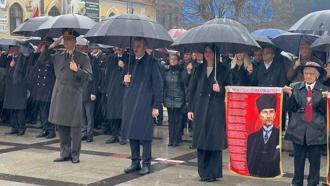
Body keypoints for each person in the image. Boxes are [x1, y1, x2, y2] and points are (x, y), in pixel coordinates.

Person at [48, 29, 92, 164]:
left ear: (74, 41)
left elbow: (89, 76)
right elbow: (42, 60)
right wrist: (51, 46)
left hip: (74, 95)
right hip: (60, 93)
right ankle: (64, 153)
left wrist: (77, 70)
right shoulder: (58, 55)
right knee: (61, 126)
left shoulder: (83, 57)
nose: (67, 42)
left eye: (70, 40)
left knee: (75, 127)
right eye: (65, 40)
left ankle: (75, 154)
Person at [187, 45, 230, 182]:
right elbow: (192, 89)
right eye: (205, 52)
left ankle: (213, 172)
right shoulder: (198, 69)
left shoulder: (224, 69)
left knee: (213, 141)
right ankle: (203, 171)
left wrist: (221, 89)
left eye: (210, 52)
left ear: (216, 53)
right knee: (201, 140)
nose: (207, 54)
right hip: (200, 109)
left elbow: (231, 89)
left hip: (216, 110)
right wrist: (190, 108)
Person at [121, 37, 163, 175]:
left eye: (138, 46)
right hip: (131, 102)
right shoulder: (130, 61)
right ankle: (135, 161)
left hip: (145, 103)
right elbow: (124, 82)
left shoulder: (151, 62)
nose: (135, 48)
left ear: (144, 47)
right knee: (132, 133)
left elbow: (158, 85)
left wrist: (156, 106)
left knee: (145, 135)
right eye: (134, 46)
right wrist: (125, 80)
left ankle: (146, 163)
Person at [283, 61, 328, 186]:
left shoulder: (324, 89)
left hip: (316, 130)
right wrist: (290, 96)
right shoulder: (295, 87)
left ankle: (312, 183)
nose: (308, 76)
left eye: (311, 74)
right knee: (298, 161)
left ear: (317, 76)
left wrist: (325, 99)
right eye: (306, 73)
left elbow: (324, 112)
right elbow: (290, 108)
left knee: (315, 163)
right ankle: (297, 183)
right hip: (298, 129)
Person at [247, 94, 280, 178]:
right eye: (265, 112)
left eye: (271, 111)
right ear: (259, 114)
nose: (268, 116)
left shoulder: (279, 135)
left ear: (275, 114)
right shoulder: (251, 137)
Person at [29, 37, 56, 139]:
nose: (42, 46)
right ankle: (45, 129)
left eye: (44, 44)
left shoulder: (52, 56)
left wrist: (48, 49)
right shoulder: (39, 56)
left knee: (48, 111)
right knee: (42, 111)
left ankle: (51, 130)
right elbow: (32, 64)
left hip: (48, 88)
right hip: (40, 89)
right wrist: (36, 52)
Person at [3, 45, 29, 136]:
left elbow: (24, 72)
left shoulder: (23, 58)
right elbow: (6, 70)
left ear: (18, 49)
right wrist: (11, 65)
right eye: (10, 49)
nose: (11, 51)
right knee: (12, 108)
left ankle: (21, 127)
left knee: (19, 109)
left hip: (19, 87)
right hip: (11, 87)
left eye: (13, 49)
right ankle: (14, 127)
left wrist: (13, 66)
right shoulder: (9, 58)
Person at [105, 47, 128, 145]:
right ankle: (114, 134)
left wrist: (124, 67)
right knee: (112, 112)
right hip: (112, 88)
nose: (119, 48)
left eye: (121, 46)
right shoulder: (111, 58)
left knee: (122, 113)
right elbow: (107, 74)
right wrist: (106, 89)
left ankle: (123, 135)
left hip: (123, 89)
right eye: (117, 47)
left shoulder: (129, 58)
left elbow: (132, 73)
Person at [163, 53, 185, 147]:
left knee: (178, 120)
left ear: (178, 60)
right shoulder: (166, 71)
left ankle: (176, 139)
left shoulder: (181, 71)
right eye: (171, 59)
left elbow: (184, 85)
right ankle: (171, 140)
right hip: (168, 98)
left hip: (179, 98)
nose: (172, 60)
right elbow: (164, 86)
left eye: (174, 59)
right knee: (171, 121)